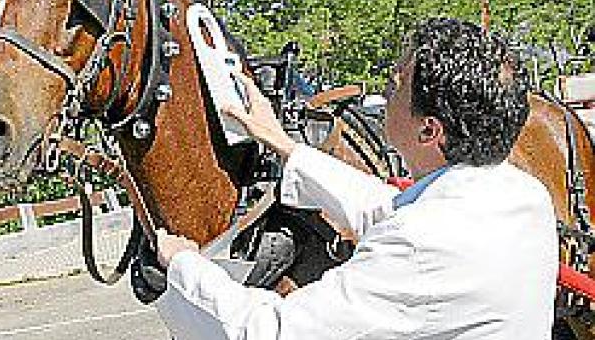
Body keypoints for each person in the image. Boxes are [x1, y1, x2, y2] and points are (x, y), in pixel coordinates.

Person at [154, 18, 558, 339]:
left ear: (429, 130)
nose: (386, 92)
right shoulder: (524, 195)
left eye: (396, 85)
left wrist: (184, 266)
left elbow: (270, 332)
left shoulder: (422, 244)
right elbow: (388, 209)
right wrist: (283, 144)